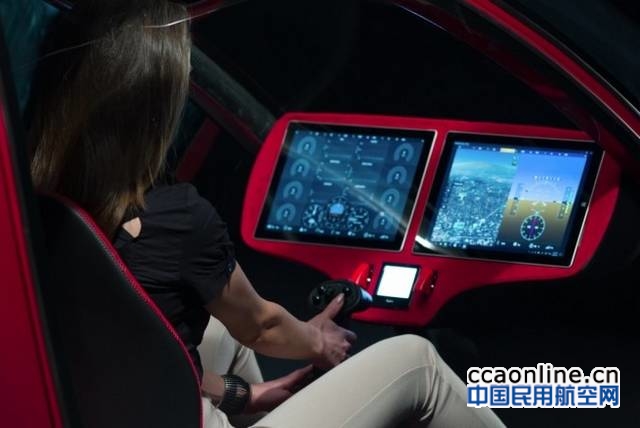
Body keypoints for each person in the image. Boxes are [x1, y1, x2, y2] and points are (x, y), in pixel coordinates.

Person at [28, 1, 505, 427]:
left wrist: (250, 396)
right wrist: (319, 341)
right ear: (152, 110)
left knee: (219, 335)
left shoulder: (39, 205)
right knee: (420, 363)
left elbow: (132, 353)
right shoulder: (178, 218)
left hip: (117, 407)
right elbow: (262, 325)